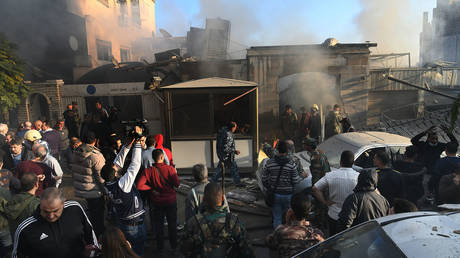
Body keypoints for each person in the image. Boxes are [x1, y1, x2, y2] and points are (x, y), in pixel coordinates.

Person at [12, 187, 99, 258]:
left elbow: (90, 235)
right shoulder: (25, 228)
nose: (51, 216)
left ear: (63, 203)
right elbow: (17, 255)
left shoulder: (75, 209)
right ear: (40, 205)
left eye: (55, 211)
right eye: (46, 211)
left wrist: (93, 253)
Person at [180, 182, 255, 258]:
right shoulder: (233, 222)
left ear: (203, 200)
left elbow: (183, 249)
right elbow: (247, 251)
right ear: (222, 198)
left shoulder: (193, 222)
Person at [101, 136, 146, 257]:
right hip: (134, 225)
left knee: (126, 252)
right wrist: (136, 144)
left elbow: (117, 163)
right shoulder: (122, 185)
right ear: (115, 173)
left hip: (124, 222)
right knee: (136, 253)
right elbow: (135, 165)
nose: (116, 166)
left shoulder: (107, 184)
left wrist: (127, 146)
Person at [137, 149, 180, 253]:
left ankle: (160, 248)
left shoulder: (148, 171)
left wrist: (151, 189)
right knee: (172, 224)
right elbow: (177, 184)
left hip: (156, 202)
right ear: (161, 157)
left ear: (153, 158)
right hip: (170, 201)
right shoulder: (170, 169)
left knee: (158, 225)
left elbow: (139, 185)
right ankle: (174, 247)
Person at [312, 150, 359, 236]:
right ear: (353, 162)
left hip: (333, 215)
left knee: (333, 240)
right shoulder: (358, 177)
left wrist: (325, 202)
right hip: (351, 217)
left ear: (340, 161)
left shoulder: (331, 175)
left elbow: (315, 188)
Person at [266, 194, 325, 258]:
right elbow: (323, 248)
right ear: (309, 211)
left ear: (291, 211)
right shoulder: (317, 233)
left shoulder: (281, 231)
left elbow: (270, 243)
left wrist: (287, 223)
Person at [72, 131, 106, 236]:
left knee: (89, 215)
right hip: (95, 192)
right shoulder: (95, 155)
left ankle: (90, 235)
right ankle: (97, 239)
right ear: (95, 141)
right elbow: (101, 177)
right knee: (97, 219)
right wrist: (106, 191)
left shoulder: (76, 151)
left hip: (82, 189)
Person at [262, 140, 303, 229]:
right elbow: (296, 180)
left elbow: (264, 178)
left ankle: (278, 236)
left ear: (277, 150)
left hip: (275, 194)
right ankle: (288, 236)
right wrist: (302, 177)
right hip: (288, 195)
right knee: (289, 218)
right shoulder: (291, 164)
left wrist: (270, 188)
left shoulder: (270, 163)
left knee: (277, 218)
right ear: (287, 151)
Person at [411, 125, 457, 196]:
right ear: (428, 139)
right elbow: (413, 140)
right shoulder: (423, 145)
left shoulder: (439, 146)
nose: (435, 141)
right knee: (425, 188)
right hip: (424, 171)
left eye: (436, 139)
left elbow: (454, 144)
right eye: (432, 139)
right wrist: (424, 132)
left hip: (435, 171)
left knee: (435, 188)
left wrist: (449, 133)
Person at [211, 122, 242, 186]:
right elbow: (226, 148)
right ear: (232, 128)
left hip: (222, 155)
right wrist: (234, 151)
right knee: (231, 169)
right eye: (235, 127)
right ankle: (238, 183)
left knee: (222, 169)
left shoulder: (223, 132)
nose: (235, 129)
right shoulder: (228, 135)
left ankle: (212, 182)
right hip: (227, 156)